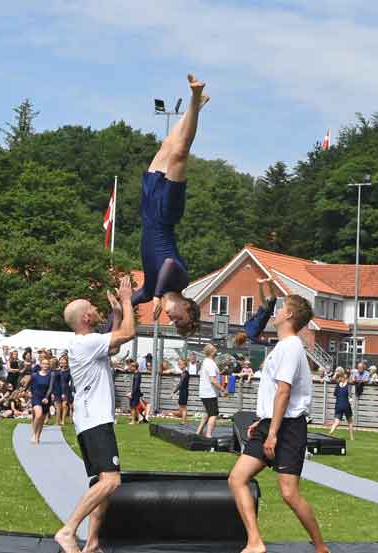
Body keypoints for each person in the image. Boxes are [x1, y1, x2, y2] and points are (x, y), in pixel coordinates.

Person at [228, 295, 327, 553]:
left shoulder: (293, 346)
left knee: (289, 493)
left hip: (288, 427)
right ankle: (254, 542)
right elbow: (275, 392)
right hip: (270, 422)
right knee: (237, 478)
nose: (277, 312)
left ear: (289, 316)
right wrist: (263, 420)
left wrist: (272, 433)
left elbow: (284, 391)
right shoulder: (282, 346)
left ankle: (320, 547)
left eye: (281, 308)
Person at [55, 277, 136, 553]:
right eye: (93, 307)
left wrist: (115, 315)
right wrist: (127, 300)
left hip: (90, 420)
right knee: (112, 481)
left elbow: (112, 347)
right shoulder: (86, 343)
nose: (96, 308)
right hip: (95, 421)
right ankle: (68, 531)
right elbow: (127, 334)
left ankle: (92, 543)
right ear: (87, 317)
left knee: (104, 482)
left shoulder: (86, 343)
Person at [127, 74, 208, 338]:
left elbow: (129, 301)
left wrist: (110, 328)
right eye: (181, 320)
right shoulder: (180, 280)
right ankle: (196, 97)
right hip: (166, 215)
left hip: (149, 210)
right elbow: (169, 263)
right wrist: (160, 296)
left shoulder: (151, 292)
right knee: (178, 153)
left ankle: (196, 106)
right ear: (189, 307)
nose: (173, 320)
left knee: (167, 145)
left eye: (175, 324)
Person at [234, 278, 278, 347]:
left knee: (269, 299)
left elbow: (263, 342)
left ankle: (261, 284)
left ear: (244, 341)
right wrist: (258, 312)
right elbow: (252, 317)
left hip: (264, 317)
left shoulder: (252, 337)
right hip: (260, 314)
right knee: (271, 299)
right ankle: (268, 283)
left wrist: (273, 344)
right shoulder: (245, 325)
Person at [197, 343, 228, 438]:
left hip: (207, 392)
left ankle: (199, 431)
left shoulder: (208, 362)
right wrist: (223, 389)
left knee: (208, 413)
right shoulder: (209, 363)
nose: (216, 349)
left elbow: (214, 376)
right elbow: (213, 380)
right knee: (214, 414)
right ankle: (209, 435)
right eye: (214, 348)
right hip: (209, 393)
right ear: (211, 351)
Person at [29, 358, 54, 443]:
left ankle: (38, 437)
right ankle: (34, 434)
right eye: (44, 364)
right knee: (38, 415)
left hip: (46, 398)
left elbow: (50, 388)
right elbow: (30, 385)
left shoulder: (51, 375)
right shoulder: (35, 375)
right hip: (36, 397)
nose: (45, 366)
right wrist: (29, 392)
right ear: (40, 365)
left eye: (47, 364)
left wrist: (47, 397)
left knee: (42, 420)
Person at [328, 367, 354, 440]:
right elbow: (350, 396)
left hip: (338, 405)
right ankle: (351, 437)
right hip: (346, 405)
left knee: (336, 422)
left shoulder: (337, 385)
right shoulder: (348, 385)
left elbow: (335, 394)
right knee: (350, 421)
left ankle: (331, 431)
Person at [54, 355, 73, 427]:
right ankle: (58, 420)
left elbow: (71, 380)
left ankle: (63, 420)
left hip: (65, 388)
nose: (62, 361)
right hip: (58, 388)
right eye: (61, 360)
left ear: (67, 362)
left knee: (64, 405)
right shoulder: (57, 370)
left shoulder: (69, 370)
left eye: (63, 360)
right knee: (58, 406)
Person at [171, 358, 190, 425]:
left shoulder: (185, 373)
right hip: (183, 391)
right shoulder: (184, 372)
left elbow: (180, 384)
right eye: (179, 364)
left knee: (183, 407)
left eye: (180, 364)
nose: (179, 366)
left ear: (184, 365)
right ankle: (185, 421)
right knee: (182, 407)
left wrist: (174, 391)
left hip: (184, 391)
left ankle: (183, 421)